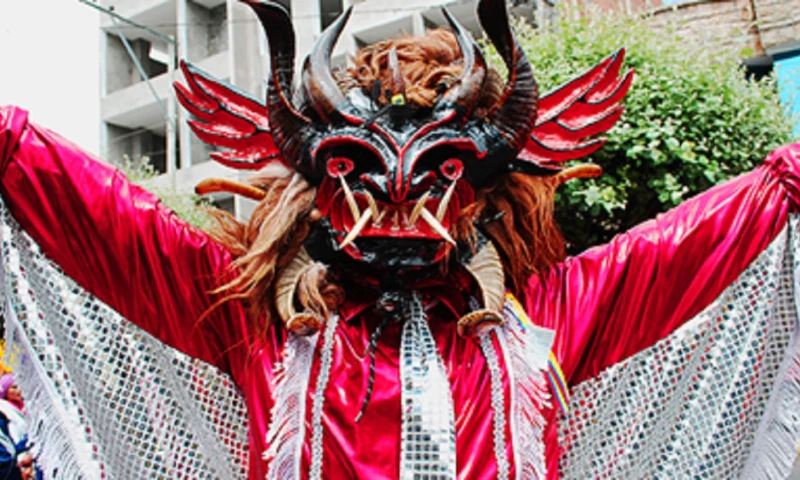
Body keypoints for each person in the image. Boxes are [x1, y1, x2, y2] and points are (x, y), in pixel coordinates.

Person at [0, 0, 798, 478]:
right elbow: (103, 218)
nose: (398, 205)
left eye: (437, 176)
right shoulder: (258, 318)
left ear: (480, 187)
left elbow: (713, 234)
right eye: (362, 175)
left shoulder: (549, 315)